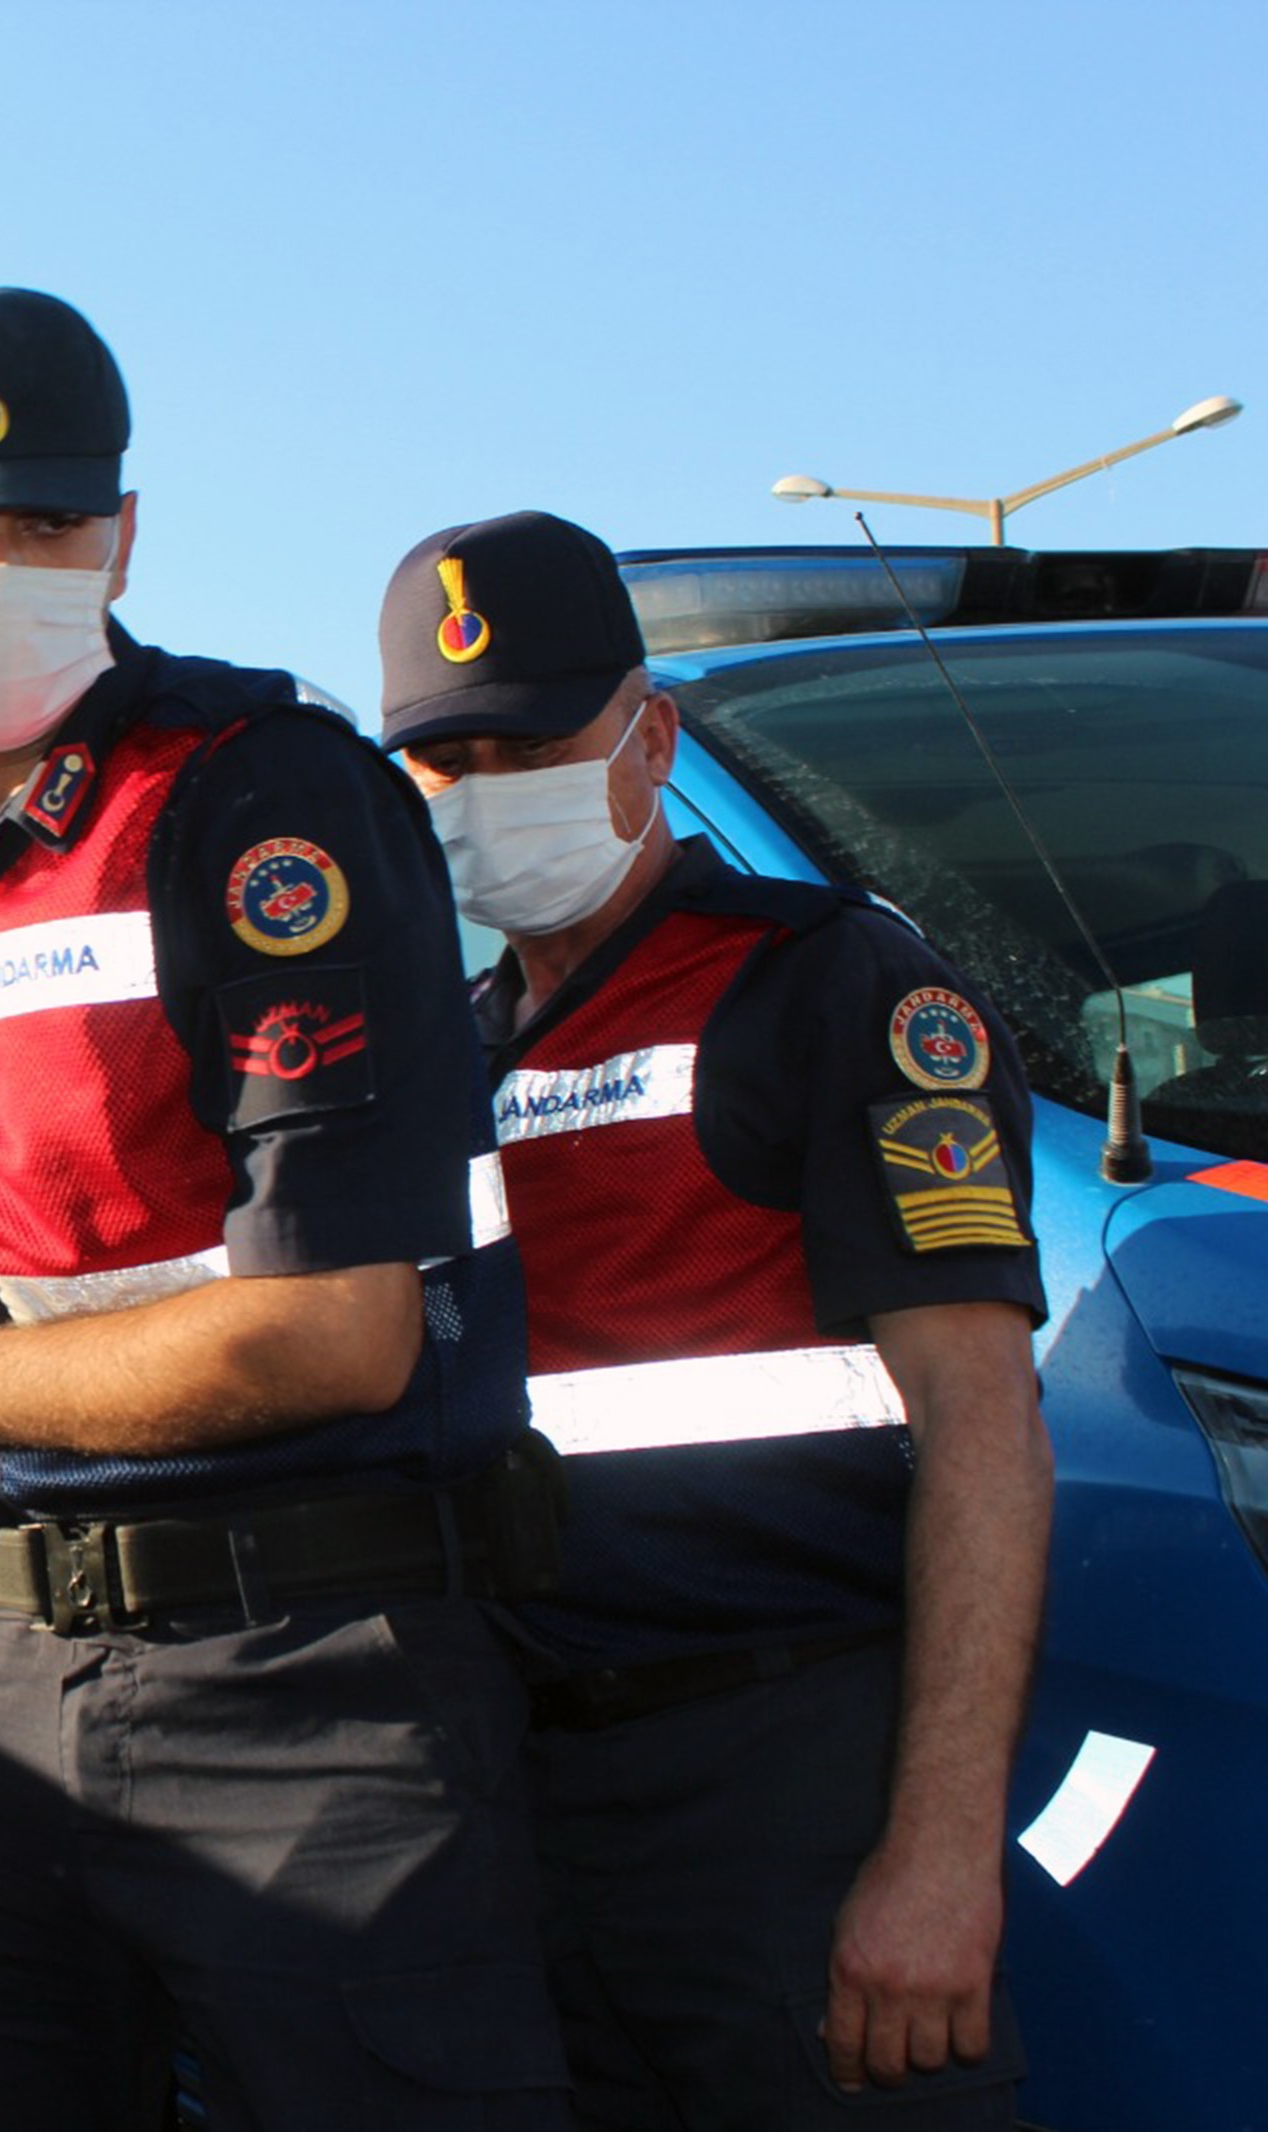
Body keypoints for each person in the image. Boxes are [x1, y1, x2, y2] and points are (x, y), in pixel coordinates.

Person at [0, 284, 570, 2129]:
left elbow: (336, 1330)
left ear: (124, 531)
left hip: (309, 1691)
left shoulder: (262, 796)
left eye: (42, 526)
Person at [375, 510, 1054, 2129]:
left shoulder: (838, 992)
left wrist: (940, 1859)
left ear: (648, 737)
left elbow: (985, 1429)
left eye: (529, 741)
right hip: (520, 1803)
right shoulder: (437, 1057)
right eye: (443, 759)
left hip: (784, 1783)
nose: (485, 792)